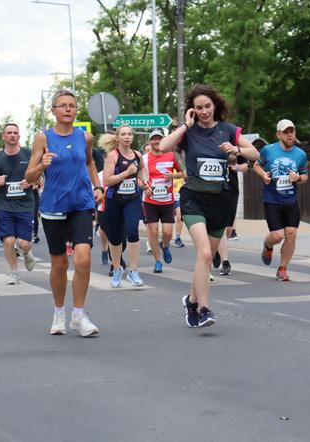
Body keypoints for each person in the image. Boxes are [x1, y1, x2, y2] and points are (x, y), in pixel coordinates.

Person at [159, 84, 260, 328]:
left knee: (206, 259)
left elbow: (255, 154)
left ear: (215, 106)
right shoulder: (188, 131)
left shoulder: (228, 130)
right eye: (198, 108)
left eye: (207, 106)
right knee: (204, 253)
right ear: (191, 111)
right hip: (194, 198)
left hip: (220, 200)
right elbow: (162, 147)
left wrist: (236, 149)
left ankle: (191, 300)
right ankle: (204, 309)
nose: (203, 111)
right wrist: (185, 124)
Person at [25, 89, 104, 337]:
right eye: (63, 105)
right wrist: (41, 165)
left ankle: (78, 316)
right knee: (59, 263)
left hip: (81, 203)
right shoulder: (43, 139)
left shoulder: (86, 137)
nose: (68, 109)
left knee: (83, 259)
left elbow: (90, 162)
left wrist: (97, 186)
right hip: (54, 206)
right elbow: (29, 177)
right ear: (54, 111)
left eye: (72, 105)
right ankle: (59, 313)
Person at [254, 119, 308, 281]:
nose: (290, 134)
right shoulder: (268, 150)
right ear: (278, 134)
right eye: (286, 132)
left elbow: (305, 177)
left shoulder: (300, 154)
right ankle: (268, 245)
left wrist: (298, 177)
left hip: (291, 201)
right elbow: (256, 165)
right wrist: (264, 175)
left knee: (291, 235)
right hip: (272, 200)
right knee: (277, 236)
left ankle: (282, 268)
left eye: (292, 131)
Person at [0, 123, 36, 284]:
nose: (12, 135)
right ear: (4, 136)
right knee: (8, 240)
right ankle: (14, 272)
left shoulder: (28, 154)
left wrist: (32, 182)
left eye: (15, 132)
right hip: (4, 204)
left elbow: (39, 176)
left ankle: (27, 253)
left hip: (25, 204)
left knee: (23, 243)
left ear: (19, 136)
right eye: (9, 132)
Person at [101, 125, 148, 287]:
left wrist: (144, 182)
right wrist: (126, 173)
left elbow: (142, 170)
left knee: (133, 232)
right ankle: (117, 269)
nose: (127, 137)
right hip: (114, 200)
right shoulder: (113, 156)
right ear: (118, 137)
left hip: (132, 199)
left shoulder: (137, 155)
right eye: (123, 134)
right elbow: (107, 180)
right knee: (114, 239)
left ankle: (134, 271)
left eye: (129, 134)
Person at [142, 130, 183, 273]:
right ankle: (157, 261)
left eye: (159, 138)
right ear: (149, 142)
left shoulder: (171, 155)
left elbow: (184, 173)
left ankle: (165, 246)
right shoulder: (145, 158)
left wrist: (172, 175)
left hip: (167, 200)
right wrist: (144, 187)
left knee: (167, 232)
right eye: (153, 139)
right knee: (153, 231)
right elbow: (139, 178)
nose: (156, 141)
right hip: (150, 200)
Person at [213, 150, 248, 275]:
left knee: (228, 228)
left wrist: (237, 167)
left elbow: (245, 165)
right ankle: (225, 262)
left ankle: (217, 248)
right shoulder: (209, 144)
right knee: (221, 226)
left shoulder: (233, 147)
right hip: (215, 189)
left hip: (232, 189)